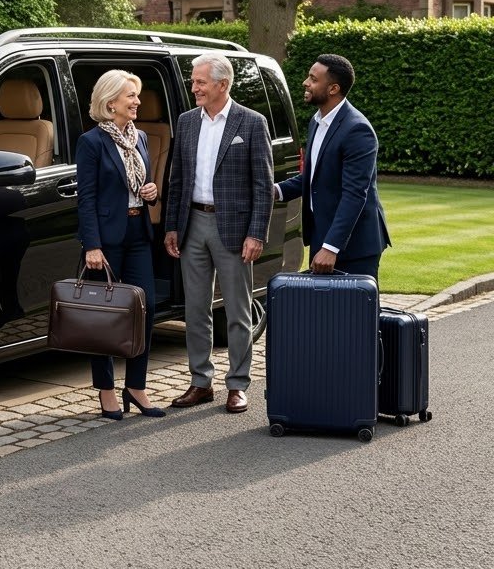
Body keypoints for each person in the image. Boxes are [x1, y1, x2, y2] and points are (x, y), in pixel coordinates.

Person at [164, 53, 274, 415]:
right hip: (192, 223)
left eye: (200, 82)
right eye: (194, 81)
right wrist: (172, 226)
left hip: (234, 229)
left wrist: (256, 233)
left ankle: (238, 385)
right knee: (195, 310)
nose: (193, 88)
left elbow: (263, 185)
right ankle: (201, 382)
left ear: (222, 85)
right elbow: (176, 179)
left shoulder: (252, 123)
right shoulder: (186, 122)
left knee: (238, 312)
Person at [76, 70, 165, 420]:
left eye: (137, 96)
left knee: (145, 308)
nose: (138, 102)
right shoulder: (92, 142)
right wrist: (91, 245)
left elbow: (141, 181)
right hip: (106, 241)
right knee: (105, 317)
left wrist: (152, 191)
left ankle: (136, 386)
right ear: (111, 102)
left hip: (138, 232)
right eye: (131, 96)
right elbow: (86, 199)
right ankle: (106, 390)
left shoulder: (140, 137)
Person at [275, 53, 391, 280]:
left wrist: (331, 247)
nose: (305, 83)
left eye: (313, 79)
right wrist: (276, 191)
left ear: (333, 89)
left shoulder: (357, 130)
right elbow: (315, 177)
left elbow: (354, 194)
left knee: (355, 314)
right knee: (325, 313)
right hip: (323, 236)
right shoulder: (317, 121)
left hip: (353, 245)